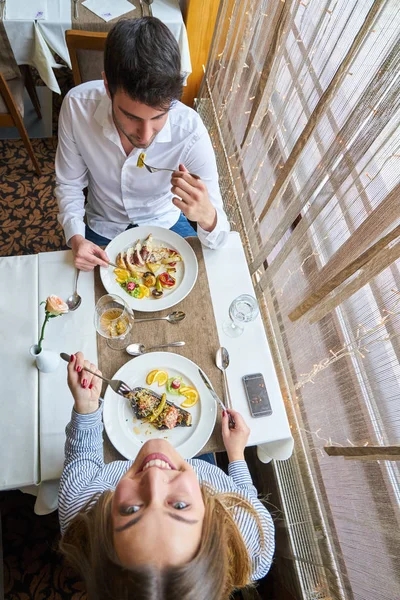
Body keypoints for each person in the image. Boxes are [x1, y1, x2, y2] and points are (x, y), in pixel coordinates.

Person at [59, 352, 275, 599]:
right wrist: (236, 456)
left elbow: (83, 459)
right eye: (180, 506)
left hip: (117, 462)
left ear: (104, 525)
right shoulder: (253, 536)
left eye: (131, 510)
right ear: (216, 521)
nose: (154, 477)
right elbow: (245, 498)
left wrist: (87, 409)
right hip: (204, 467)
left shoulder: (81, 509)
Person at [55, 18, 230, 272]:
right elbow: (70, 184)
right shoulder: (77, 107)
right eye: (132, 117)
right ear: (107, 86)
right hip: (102, 224)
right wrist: (75, 237)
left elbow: (220, 237)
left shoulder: (190, 132)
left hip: (165, 222)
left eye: (159, 116)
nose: (146, 136)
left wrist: (207, 216)